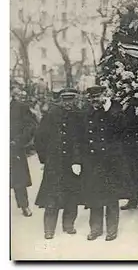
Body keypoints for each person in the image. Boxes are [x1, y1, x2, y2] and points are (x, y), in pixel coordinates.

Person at [80, 86, 129, 241]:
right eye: (92, 98)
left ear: (104, 96)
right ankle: (95, 229)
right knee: (95, 196)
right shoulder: (86, 112)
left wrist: (109, 110)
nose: (95, 100)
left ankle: (112, 229)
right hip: (93, 161)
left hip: (111, 161)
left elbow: (121, 128)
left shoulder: (115, 109)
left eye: (98, 97)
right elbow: (80, 137)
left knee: (111, 197)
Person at [34, 88, 83, 239]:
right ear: (60, 100)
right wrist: (45, 158)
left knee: (71, 196)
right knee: (52, 197)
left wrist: (78, 160)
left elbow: (82, 140)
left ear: (75, 99)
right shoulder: (51, 115)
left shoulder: (79, 116)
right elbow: (39, 138)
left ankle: (69, 224)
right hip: (54, 163)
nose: (68, 103)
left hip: (72, 164)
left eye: (71, 100)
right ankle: (49, 229)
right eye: (65, 100)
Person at [10, 84, 37, 217]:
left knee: (18, 179)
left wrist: (19, 141)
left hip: (14, 148)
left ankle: (24, 205)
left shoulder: (20, 107)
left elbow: (31, 125)